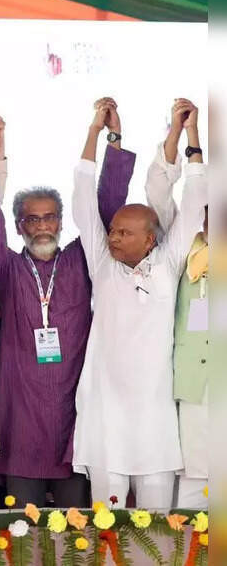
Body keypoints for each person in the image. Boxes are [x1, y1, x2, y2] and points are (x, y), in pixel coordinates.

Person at [0, 99, 138, 508]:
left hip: (74, 416)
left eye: (49, 218)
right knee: (22, 531)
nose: (42, 226)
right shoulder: (7, 269)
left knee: (78, 528)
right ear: (19, 226)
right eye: (32, 219)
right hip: (23, 419)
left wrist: (110, 138)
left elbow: (106, 207)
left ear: (61, 222)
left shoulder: (82, 260)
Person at [71, 100, 207, 508]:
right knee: (103, 529)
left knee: (161, 533)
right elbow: (82, 200)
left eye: (124, 233)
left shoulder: (169, 262)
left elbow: (195, 200)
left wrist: (191, 135)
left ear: (150, 239)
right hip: (105, 424)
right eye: (113, 230)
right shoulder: (102, 265)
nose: (113, 237)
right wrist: (94, 133)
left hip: (155, 426)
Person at [144, 98, 209, 509]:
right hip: (192, 388)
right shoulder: (184, 246)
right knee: (191, 491)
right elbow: (159, 189)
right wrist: (184, 133)